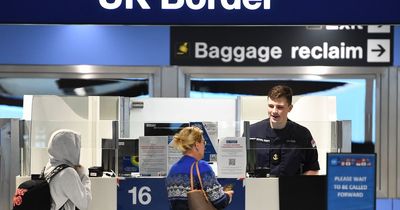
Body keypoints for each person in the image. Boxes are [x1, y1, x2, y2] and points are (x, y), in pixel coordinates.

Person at [249, 85, 320, 176]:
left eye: (279, 107)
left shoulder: (303, 134)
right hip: (258, 188)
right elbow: (240, 168)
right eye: (271, 106)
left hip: (291, 189)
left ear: (290, 108)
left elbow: (312, 169)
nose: (274, 111)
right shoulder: (252, 132)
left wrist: (300, 187)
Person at [166, 126, 234, 210]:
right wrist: (228, 195)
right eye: (203, 142)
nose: (204, 147)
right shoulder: (202, 167)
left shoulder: (173, 169)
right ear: (197, 145)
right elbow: (219, 201)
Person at [44, 129, 92, 210]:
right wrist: (83, 176)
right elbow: (85, 204)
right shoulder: (67, 173)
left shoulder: (50, 166)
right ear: (69, 148)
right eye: (76, 146)